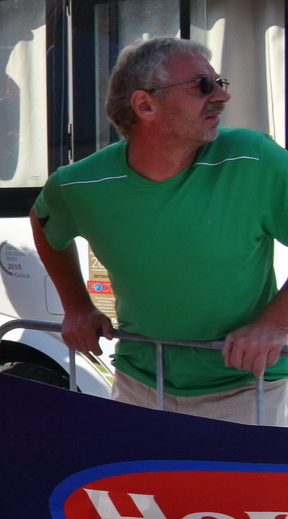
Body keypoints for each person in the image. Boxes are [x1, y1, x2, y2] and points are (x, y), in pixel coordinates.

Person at [33, 36, 288, 424]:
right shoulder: (79, 184)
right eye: (203, 85)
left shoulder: (252, 156)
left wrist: (274, 324)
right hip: (139, 384)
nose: (221, 96)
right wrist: (76, 306)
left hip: (249, 387)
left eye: (220, 83)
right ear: (145, 104)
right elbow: (43, 221)